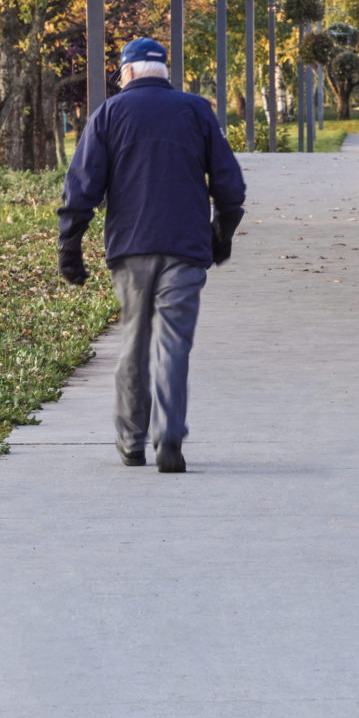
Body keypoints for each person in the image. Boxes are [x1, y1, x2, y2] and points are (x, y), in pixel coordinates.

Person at [57, 34, 246, 473]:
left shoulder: (109, 114)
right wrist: (223, 233)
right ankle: (170, 438)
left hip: (130, 250)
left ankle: (130, 440)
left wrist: (71, 245)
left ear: (127, 71)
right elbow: (229, 185)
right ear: (164, 70)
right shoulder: (196, 110)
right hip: (185, 248)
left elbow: (82, 185)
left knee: (135, 342)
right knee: (173, 345)